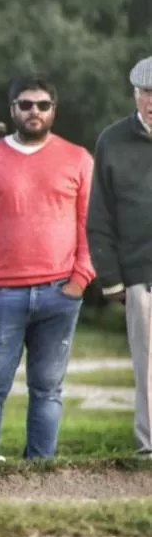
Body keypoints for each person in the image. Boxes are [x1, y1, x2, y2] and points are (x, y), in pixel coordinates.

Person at [0, 76, 95, 460]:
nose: (35, 111)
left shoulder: (78, 158)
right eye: (26, 104)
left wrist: (81, 279)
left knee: (48, 388)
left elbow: (92, 223)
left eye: (43, 105)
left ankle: (40, 469)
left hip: (60, 293)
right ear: (12, 110)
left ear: (54, 110)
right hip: (0, 293)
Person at [86, 56, 152, 458]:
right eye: (147, 93)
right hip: (140, 275)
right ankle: (149, 448)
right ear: (135, 94)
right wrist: (111, 278)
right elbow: (99, 216)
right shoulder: (112, 140)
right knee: (147, 369)